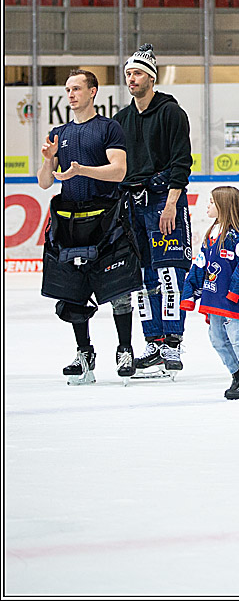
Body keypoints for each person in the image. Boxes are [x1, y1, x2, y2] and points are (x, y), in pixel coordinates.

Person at [38, 69, 140, 385]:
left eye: (77, 88)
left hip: (106, 217)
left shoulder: (109, 128)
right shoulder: (58, 132)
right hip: (70, 220)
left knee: (119, 287)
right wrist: (48, 160)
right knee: (73, 289)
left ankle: (125, 349)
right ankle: (84, 353)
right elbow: (44, 183)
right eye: (67, 89)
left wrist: (84, 170)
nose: (70, 94)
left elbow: (119, 171)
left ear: (93, 91)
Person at [115, 43, 193, 379]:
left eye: (136, 73)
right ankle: (153, 341)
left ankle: (172, 342)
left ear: (151, 77)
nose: (131, 79)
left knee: (170, 274)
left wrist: (172, 203)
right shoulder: (121, 119)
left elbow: (181, 162)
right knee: (143, 277)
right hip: (132, 203)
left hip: (164, 198)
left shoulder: (172, 113)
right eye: (128, 73)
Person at [180, 187, 239, 400]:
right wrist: (190, 294)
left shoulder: (238, 237)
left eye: (212, 202)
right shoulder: (211, 235)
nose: (208, 206)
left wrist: (235, 292)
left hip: (234, 299)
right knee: (216, 337)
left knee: (236, 336)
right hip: (214, 296)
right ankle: (237, 376)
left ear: (223, 206)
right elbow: (199, 265)